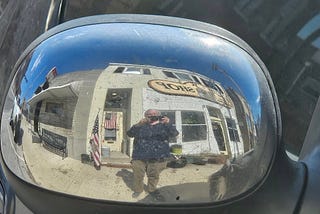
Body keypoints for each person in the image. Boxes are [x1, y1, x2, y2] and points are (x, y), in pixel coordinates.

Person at [127, 109, 179, 200]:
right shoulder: (141, 126)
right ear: (146, 116)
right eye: (149, 114)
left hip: (158, 156)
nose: (152, 115)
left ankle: (152, 190)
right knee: (138, 175)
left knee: (154, 175)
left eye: (154, 114)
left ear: (159, 115)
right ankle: (138, 190)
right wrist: (138, 124)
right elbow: (130, 134)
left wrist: (168, 123)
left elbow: (174, 134)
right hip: (139, 156)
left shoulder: (164, 126)